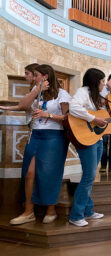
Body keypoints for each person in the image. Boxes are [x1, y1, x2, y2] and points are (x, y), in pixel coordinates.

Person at [9, 64, 71, 225]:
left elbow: (67, 118)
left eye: (36, 75)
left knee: (49, 174)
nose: (34, 78)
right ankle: (28, 212)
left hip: (54, 137)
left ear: (45, 76)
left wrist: (47, 114)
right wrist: (37, 90)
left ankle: (51, 210)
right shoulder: (36, 92)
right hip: (35, 135)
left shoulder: (62, 94)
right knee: (29, 173)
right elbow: (23, 105)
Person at [68, 68, 111, 227]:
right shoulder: (83, 92)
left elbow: (102, 120)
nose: (104, 84)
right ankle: (76, 215)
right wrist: (93, 118)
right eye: (102, 81)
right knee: (89, 176)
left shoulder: (95, 96)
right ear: (96, 82)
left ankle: (88, 210)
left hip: (96, 139)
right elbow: (73, 108)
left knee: (90, 176)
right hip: (86, 139)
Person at [99, 73, 111, 173]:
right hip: (104, 119)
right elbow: (101, 102)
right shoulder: (103, 90)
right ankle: (103, 165)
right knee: (104, 143)